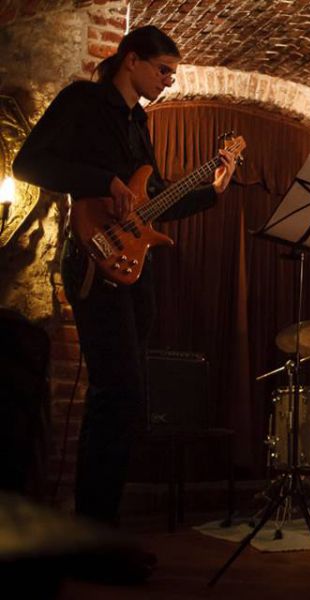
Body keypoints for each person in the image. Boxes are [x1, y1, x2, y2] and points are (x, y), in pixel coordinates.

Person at [13, 25, 237, 532]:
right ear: (131, 59)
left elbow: (153, 201)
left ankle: (99, 527)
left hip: (134, 269)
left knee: (126, 398)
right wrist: (103, 181)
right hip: (93, 257)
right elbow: (29, 164)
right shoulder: (83, 101)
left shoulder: (140, 122)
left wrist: (213, 190)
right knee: (117, 393)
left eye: (173, 75)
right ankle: (93, 532)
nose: (168, 81)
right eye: (163, 70)